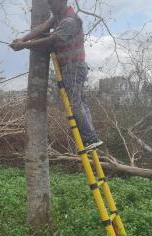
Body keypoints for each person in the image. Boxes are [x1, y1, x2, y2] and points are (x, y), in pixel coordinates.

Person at [10, 0, 103, 150]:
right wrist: (23, 39)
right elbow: (42, 28)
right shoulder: (58, 16)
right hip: (71, 67)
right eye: (49, 3)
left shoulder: (70, 21)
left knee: (75, 103)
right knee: (79, 102)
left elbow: (49, 40)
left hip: (73, 66)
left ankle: (89, 137)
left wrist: (23, 46)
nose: (51, 6)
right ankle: (90, 135)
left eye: (53, 3)